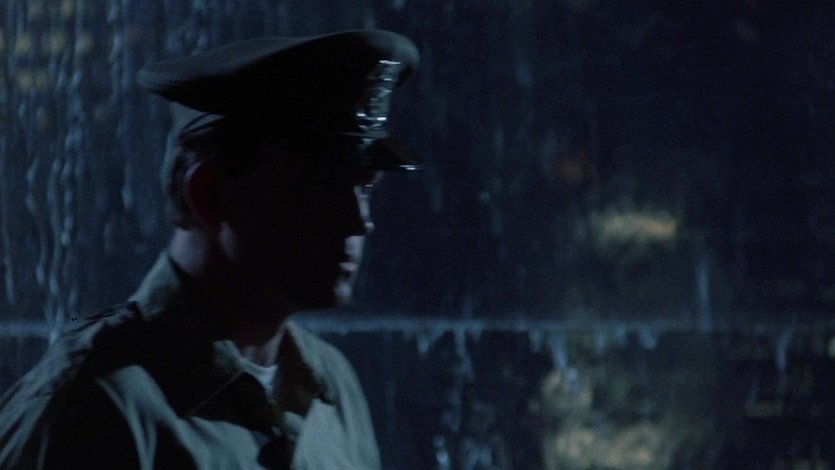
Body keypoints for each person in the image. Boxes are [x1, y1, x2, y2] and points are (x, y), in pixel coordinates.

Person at [0, 29, 420, 469]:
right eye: (319, 189)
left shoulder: (332, 384)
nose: (358, 222)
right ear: (209, 194)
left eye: (364, 187)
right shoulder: (93, 407)